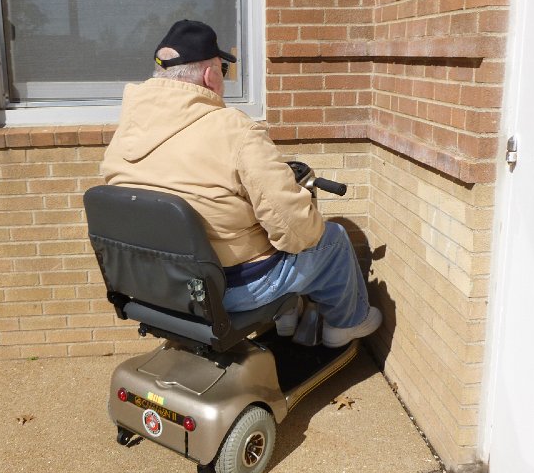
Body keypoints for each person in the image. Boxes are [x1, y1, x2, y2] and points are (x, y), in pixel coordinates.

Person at [100, 20, 381, 347]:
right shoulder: (234, 129)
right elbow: (296, 231)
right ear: (210, 75)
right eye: (223, 69)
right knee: (330, 239)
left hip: (155, 286)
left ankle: (286, 318)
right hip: (227, 291)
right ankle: (345, 325)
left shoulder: (125, 132)